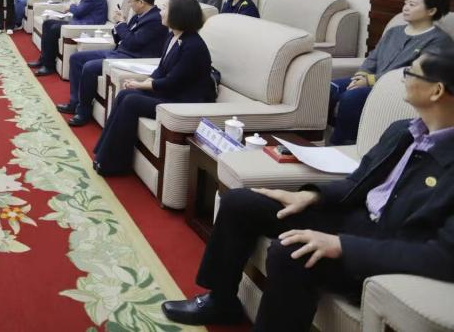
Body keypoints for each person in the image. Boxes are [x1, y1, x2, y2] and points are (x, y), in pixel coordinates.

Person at [162, 46, 454, 331]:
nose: (404, 77)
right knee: (240, 203)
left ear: (436, 91)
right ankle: (221, 302)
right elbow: (357, 182)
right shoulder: (403, 130)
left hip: (386, 246)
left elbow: (442, 256)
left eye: (411, 72)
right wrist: (310, 196)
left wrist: (342, 246)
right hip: (355, 219)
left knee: (291, 253)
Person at [93, 0, 216, 175]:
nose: (160, 12)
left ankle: (116, 164)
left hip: (184, 101)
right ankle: (104, 154)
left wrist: (139, 85)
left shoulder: (193, 46)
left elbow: (172, 82)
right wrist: (144, 81)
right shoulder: (173, 36)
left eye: (164, 8)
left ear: (178, 13)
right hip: (172, 92)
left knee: (131, 100)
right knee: (125, 94)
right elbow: (161, 69)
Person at [329, 0, 452, 144]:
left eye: (412, 5)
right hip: (370, 81)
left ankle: (343, 143)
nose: (405, 8)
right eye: (405, 3)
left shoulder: (438, 41)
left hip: (396, 88)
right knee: (329, 88)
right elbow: (373, 57)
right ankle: (315, 136)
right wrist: (361, 75)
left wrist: (370, 80)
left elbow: (414, 72)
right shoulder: (394, 32)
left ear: (431, 11)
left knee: (351, 97)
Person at [57, 0, 170, 126]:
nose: (130, 5)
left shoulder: (155, 20)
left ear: (141, 2)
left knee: (90, 67)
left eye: (131, 1)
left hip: (133, 58)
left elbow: (133, 43)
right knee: (76, 58)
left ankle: (83, 111)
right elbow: (121, 38)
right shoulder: (139, 15)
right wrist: (118, 25)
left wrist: (122, 24)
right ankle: (74, 102)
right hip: (120, 52)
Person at [28, 0, 108, 76]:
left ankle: (49, 66)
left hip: (88, 24)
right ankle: (43, 59)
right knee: (47, 23)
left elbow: (78, 12)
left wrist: (71, 7)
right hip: (82, 20)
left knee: (54, 29)